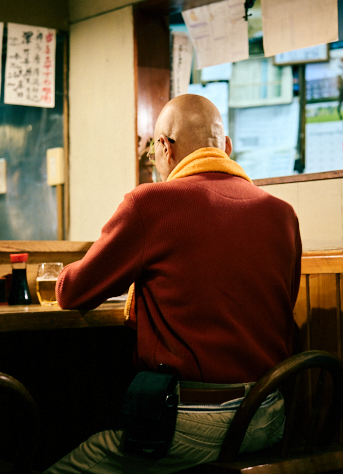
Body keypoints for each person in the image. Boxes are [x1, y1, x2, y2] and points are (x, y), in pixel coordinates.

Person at [46, 94, 302, 474]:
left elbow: (73, 292)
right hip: (270, 414)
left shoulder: (151, 203)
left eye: (153, 151)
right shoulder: (282, 214)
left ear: (164, 147)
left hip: (193, 423)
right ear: (226, 148)